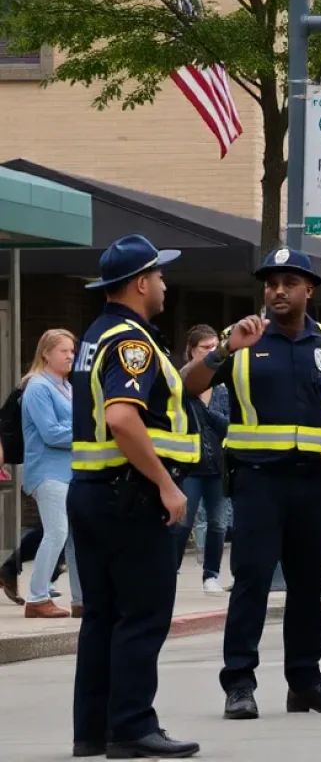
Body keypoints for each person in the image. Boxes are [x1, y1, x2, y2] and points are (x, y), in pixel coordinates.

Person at [180, 247, 321, 722]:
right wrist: (226, 350)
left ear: (309, 290)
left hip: (312, 483)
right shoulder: (242, 337)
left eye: (289, 282)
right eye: (271, 283)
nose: (277, 290)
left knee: (309, 583)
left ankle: (305, 682)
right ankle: (240, 685)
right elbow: (187, 384)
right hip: (257, 482)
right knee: (250, 581)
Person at [68, 234, 205, 760]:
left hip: (94, 493)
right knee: (142, 615)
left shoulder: (94, 336)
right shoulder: (132, 342)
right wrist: (167, 486)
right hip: (131, 498)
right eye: (161, 276)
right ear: (141, 283)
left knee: (102, 616)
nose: (166, 285)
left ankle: (94, 731)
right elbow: (122, 417)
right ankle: (131, 727)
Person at [20, 328, 82, 618]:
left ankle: (81, 600)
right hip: (47, 473)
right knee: (56, 533)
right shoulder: (37, 387)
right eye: (64, 351)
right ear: (46, 353)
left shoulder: (67, 387)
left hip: (69, 472)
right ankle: (37, 598)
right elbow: (51, 433)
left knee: (75, 537)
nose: (70, 355)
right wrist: (87, 432)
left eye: (72, 350)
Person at [174, 325, 231, 594]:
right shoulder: (181, 384)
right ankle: (169, 571)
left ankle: (211, 575)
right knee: (183, 522)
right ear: (191, 351)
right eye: (204, 348)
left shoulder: (222, 387)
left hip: (218, 466)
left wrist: (209, 415)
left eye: (214, 347)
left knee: (218, 522)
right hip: (189, 466)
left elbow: (228, 425)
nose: (210, 352)